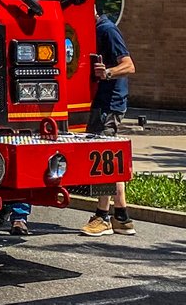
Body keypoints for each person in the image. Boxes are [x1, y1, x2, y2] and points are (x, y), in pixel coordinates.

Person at [81, 12, 137, 236]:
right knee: (111, 160)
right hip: (103, 103)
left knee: (102, 158)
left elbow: (129, 65)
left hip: (109, 104)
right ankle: (122, 217)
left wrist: (108, 73)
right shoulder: (96, 29)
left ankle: (102, 216)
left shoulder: (107, 30)